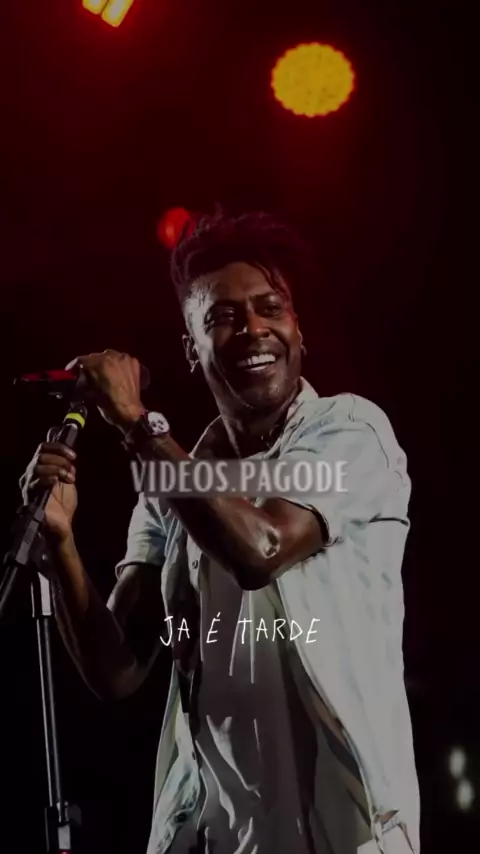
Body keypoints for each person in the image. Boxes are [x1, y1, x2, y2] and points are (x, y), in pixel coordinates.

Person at [21, 212, 420, 854]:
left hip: (345, 839)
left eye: (271, 308)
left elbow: (261, 549)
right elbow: (118, 668)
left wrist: (137, 427)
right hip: (216, 839)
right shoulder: (170, 485)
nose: (254, 329)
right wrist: (62, 547)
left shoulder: (351, 432)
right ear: (192, 348)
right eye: (225, 317)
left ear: (298, 329)